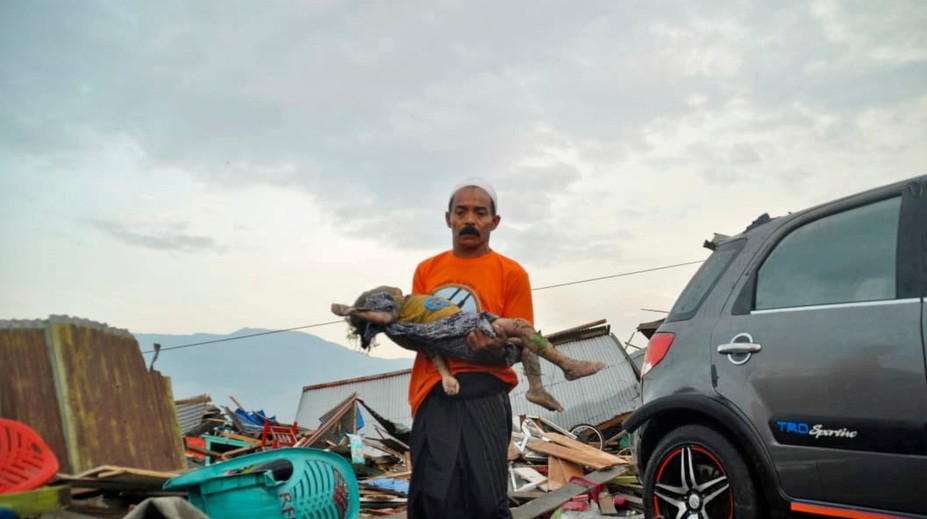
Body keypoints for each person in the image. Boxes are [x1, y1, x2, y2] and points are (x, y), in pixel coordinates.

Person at [406, 178, 543, 518]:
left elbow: (520, 342)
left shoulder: (511, 273)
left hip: (485, 395)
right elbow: (419, 332)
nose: (470, 220)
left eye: (480, 213)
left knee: (485, 500)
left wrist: (492, 351)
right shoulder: (427, 271)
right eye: (461, 212)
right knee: (433, 499)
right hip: (435, 392)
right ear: (448, 218)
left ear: (494, 222)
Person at [330, 286, 604, 399]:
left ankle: (536, 389)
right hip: (460, 332)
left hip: (467, 321)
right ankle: (568, 366)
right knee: (518, 326)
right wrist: (352, 312)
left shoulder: (410, 307)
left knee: (525, 337)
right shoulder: (397, 323)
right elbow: (430, 347)